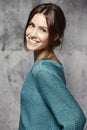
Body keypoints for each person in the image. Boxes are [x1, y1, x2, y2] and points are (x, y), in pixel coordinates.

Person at [18, 3, 86, 130]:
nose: (32, 34)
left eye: (42, 30)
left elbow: (75, 120)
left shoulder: (42, 70)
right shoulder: (51, 65)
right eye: (31, 25)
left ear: (55, 36)